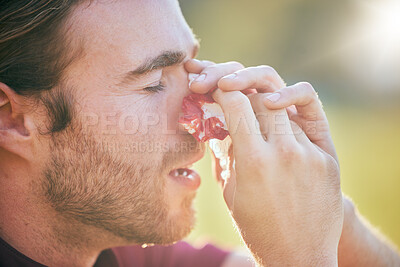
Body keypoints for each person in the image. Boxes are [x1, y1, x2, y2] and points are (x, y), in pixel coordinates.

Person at [0, 0, 399, 266]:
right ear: (13, 120)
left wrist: (328, 206)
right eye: (155, 81)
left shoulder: (129, 255)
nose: (204, 108)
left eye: (193, 70)